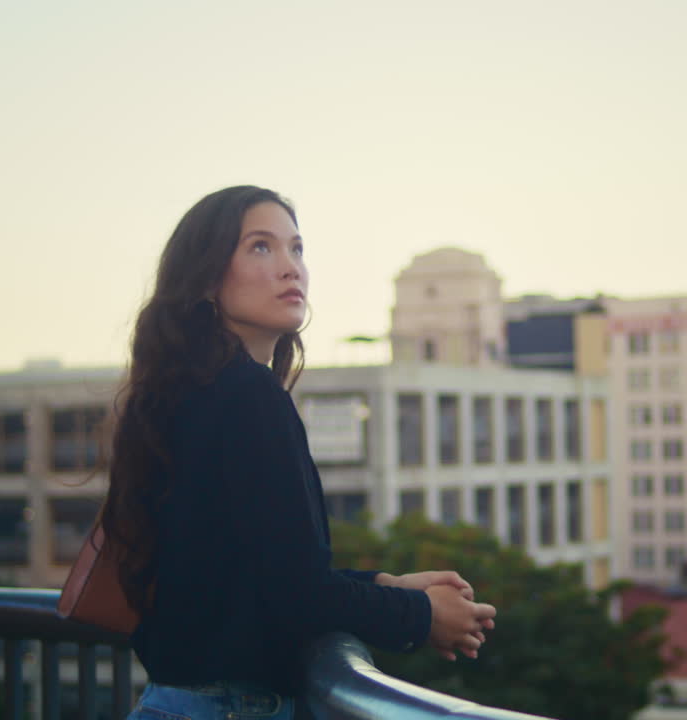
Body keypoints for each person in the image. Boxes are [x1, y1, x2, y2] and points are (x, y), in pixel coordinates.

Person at [99, 186, 497, 720]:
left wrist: (386, 585)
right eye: (261, 248)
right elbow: (298, 597)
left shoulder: (188, 394)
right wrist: (421, 616)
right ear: (207, 277)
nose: (291, 268)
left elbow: (258, 572)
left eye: (297, 248)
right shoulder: (247, 396)